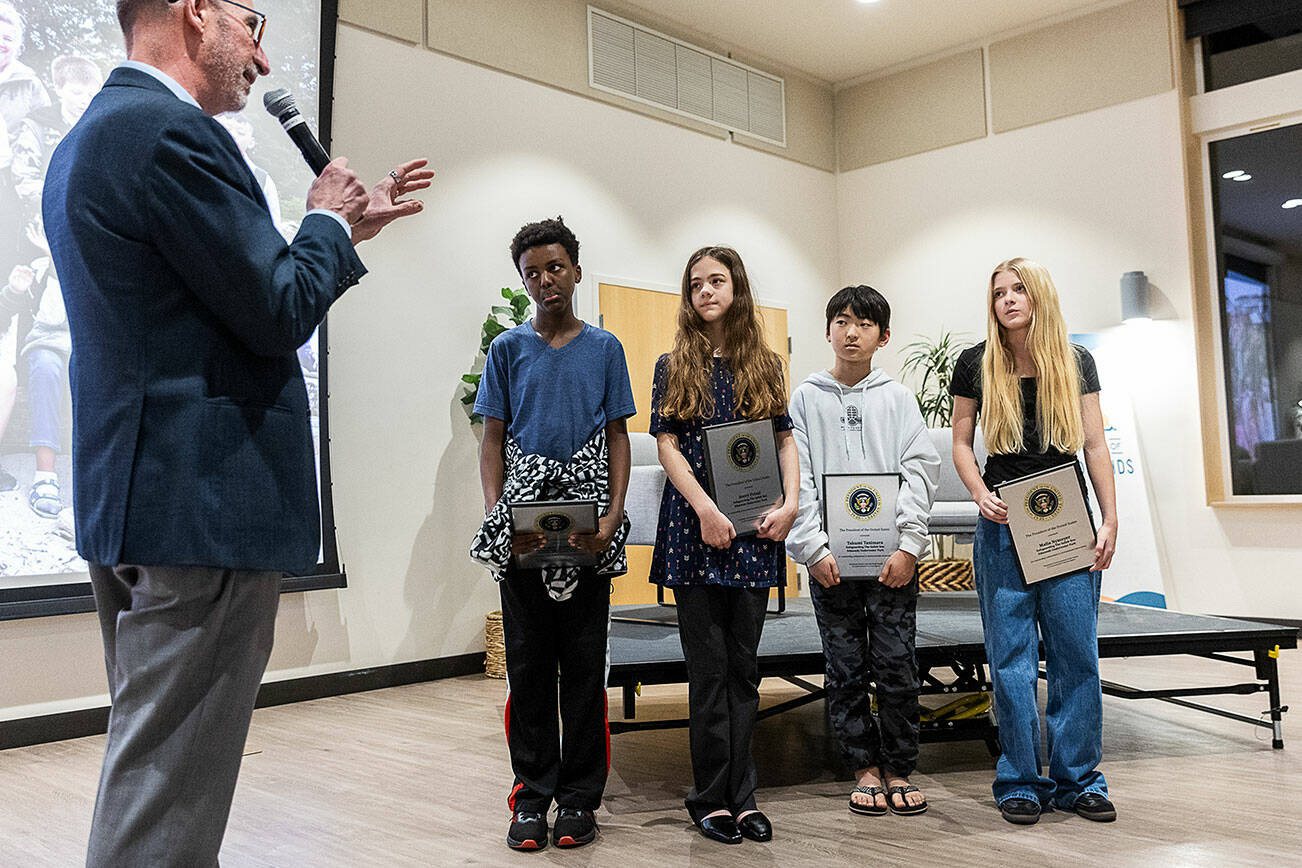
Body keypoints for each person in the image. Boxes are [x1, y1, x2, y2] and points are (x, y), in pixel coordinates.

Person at [40, 1, 432, 864]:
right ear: (194, 12)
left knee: (159, 778)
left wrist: (337, 235)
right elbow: (274, 307)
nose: (261, 52)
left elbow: (204, 305)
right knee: (166, 809)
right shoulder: (170, 134)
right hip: (202, 508)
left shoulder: (90, 140)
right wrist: (324, 218)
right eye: (251, 23)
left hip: (137, 501)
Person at [470, 216, 635, 852]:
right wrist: (498, 516)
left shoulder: (605, 348)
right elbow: (492, 439)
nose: (545, 281)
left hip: (589, 521)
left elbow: (619, 435)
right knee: (530, 665)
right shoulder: (507, 350)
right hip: (523, 528)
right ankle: (532, 795)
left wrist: (615, 512)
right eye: (532, 273)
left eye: (555, 267)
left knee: (585, 666)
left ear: (576, 270)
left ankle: (580, 799)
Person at [949, 257, 1118, 826]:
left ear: (1039, 296)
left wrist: (1109, 521)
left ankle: (1081, 780)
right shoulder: (974, 364)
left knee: (1076, 656)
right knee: (1012, 659)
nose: (1008, 299)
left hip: (1068, 521)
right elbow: (962, 446)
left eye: (1019, 289)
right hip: (1001, 527)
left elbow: (1094, 445)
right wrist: (978, 493)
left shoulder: (1076, 362)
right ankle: (1020, 779)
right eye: (999, 292)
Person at [649, 245, 799, 845]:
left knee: (745, 672)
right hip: (696, 530)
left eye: (717, 281)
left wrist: (790, 504)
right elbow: (666, 445)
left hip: (756, 533)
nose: (706, 291)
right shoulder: (672, 363)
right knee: (708, 674)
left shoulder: (765, 363)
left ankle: (745, 796)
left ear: (736, 287)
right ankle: (709, 799)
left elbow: (784, 439)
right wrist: (707, 510)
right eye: (696, 284)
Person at [786, 285, 940, 817]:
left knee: (897, 663)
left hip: (891, 559)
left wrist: (910, 545)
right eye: (842, 321)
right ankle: (864, 768)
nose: (852, 332)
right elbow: (797, 477)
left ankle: (899, 766)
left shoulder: (897, 398)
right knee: (844, 666)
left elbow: (920, 470)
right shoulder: (804, 397)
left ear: (884, 336)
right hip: (830, 560)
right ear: (827, 329)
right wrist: (812, 547)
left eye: (865, 324)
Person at [10, 56, 103, 517]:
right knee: (45, 358)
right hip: (42, 251)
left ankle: (92, 480)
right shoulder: (37, 129)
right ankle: (45, 473)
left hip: (96, 254)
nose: (79, 99)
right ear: (59, 88)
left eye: (87, 92)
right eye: (72, 91)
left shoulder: (106, 131)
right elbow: (25, 185)